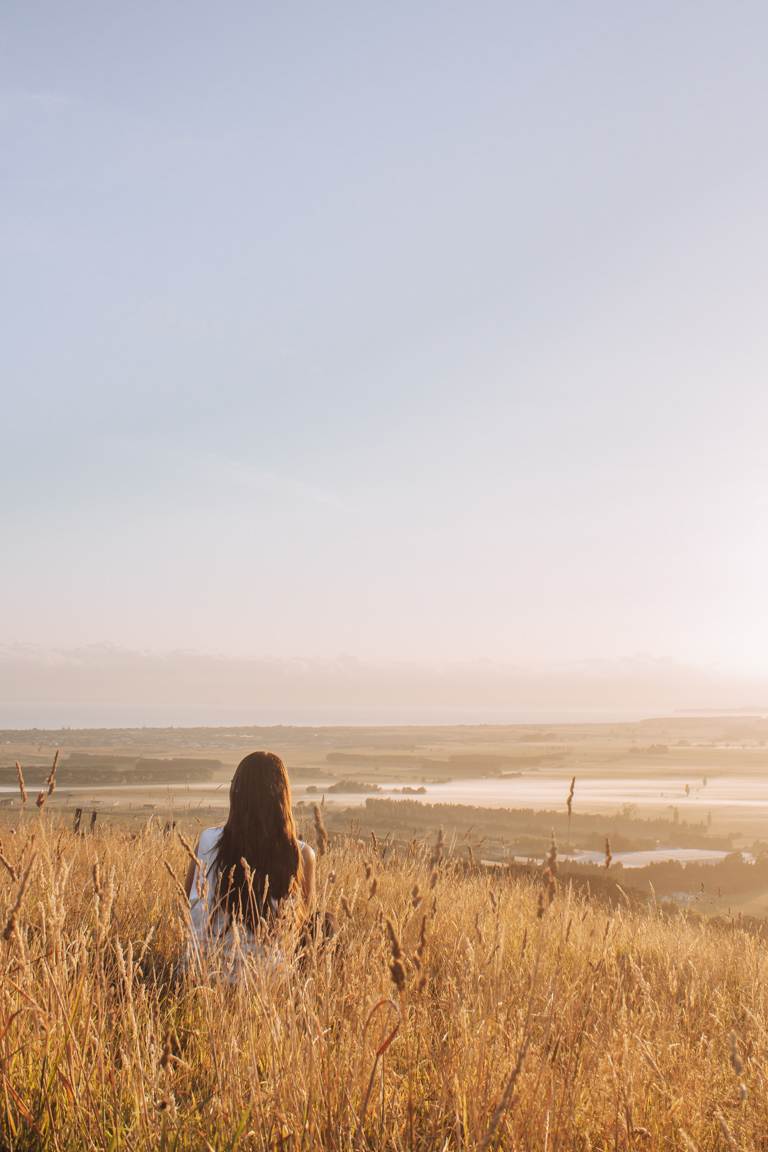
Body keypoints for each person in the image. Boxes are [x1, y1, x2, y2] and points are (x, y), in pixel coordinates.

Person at [183, 750, 316, 973]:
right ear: (283, 797)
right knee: (326, 923)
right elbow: (302, 924)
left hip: (201, 974)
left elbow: (186, 904)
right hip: (266, 984)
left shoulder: (207, 840)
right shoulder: (301, 854)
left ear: (236, 793)